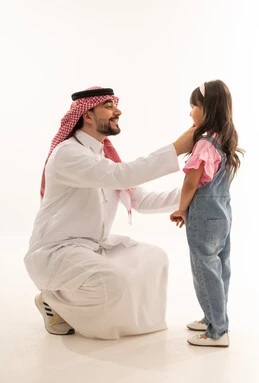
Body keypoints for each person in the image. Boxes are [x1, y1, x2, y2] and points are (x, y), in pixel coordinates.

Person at [24, 86, 195, 340]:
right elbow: (120, 175)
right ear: (87, 115)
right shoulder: (68, 154)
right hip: (56, 253)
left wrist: (195, 192)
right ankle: (52, 300)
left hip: (93, 246)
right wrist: (176, 148)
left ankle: (121, 323)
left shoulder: (105, 156)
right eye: (108, 105)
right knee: (111, 282)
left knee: (154, 258)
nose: (118, 111)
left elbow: (141, 199)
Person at [170, 80, 244, 347]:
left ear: (207, 108)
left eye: (194, 106)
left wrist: (180, 209)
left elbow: (192, 182)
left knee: (204, 270)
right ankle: (214, 318)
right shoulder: (223, 138)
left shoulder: (204, 144)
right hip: (222, 213)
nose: (190, 112)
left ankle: (217, 331)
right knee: (219, 268)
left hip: (204, 215)